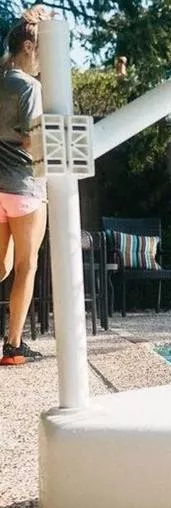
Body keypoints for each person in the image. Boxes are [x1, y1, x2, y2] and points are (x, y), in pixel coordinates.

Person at [0, 6, 53, 365]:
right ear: (30, 46)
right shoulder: (29, 86)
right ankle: (14, 347)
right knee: (25, 265)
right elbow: (36, 142)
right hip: (25, 188)